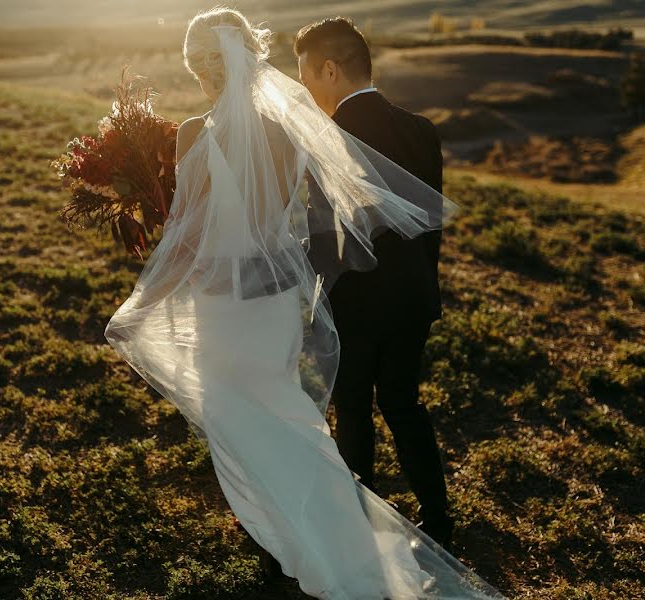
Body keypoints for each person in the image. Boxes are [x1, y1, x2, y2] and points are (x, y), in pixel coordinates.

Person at [104, 6, 505, 599]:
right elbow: (310, 220)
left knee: (245, 429)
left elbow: (188, 236)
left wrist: (141, 301)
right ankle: (317, 535)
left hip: (227, 305)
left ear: (197, 66)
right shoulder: (293, 129)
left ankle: (288, 542)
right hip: (277, 304)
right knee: (286, 420)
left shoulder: (195, 132)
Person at [294, 17, 456, 552]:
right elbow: (429, 222)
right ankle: (439, 518)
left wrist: (301, 281)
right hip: (413, 297)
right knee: (404, 402)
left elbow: (323, 231)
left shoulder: (330, 137)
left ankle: (352, 526)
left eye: (308, 77)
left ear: (331, 69)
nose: (309, 92)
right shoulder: (421, 129)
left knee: (355, 407)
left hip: (358, 300)